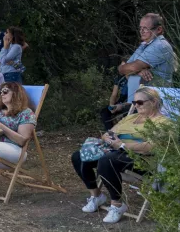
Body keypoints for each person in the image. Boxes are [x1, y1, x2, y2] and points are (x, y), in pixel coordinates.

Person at [73, 86, 171, 224]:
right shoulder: (130, 118)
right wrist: (108, 139)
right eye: (134, 103)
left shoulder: (164, 123)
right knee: (78, 156)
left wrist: (123, 146)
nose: (136, 105)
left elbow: (152, 147)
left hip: (142, 160)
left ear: (154, 102)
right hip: (115, 151)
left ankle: (117, 205)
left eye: (140, 103)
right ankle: (96, 195)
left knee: (107, 160)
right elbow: (109, 133)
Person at [100, 13, 176, 130]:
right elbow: (122, 69)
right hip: (140, 99)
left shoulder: (160, 45)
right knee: (109, 114)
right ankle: (115, 141)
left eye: (146, 28)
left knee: (127, 125)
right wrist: (138, 71)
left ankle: (118, 142)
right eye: (140, 28)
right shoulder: (144, 45)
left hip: (154, 101)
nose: (142, 31)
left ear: (159, 29)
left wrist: (133, 68)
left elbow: (130, 67)